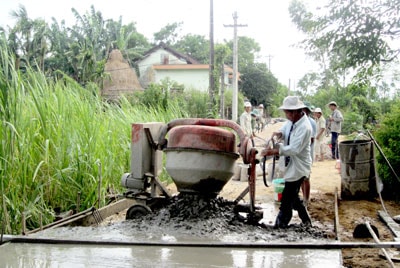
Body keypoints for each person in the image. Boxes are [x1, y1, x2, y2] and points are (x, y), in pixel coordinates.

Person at [261, 96, 312, 228]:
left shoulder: (305, 127)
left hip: (299, 167)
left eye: (287, 112)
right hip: (291, 165)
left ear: (295, 111)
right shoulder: (292, 121)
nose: (286, 115)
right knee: (293, 197)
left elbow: (294, 149)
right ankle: (306, 221)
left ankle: (280, 226)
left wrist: (272, 152)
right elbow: (285, 130)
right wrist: (278, 133)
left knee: (286, 199)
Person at [301, 102, 316, 207]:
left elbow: (311, 139)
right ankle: (303, 197)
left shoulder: (311, 122)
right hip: (299, 155)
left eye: (305, 110)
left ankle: (306, 199)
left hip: (307, 154)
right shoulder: (298, 122)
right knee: (301, 177)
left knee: (306, 177)